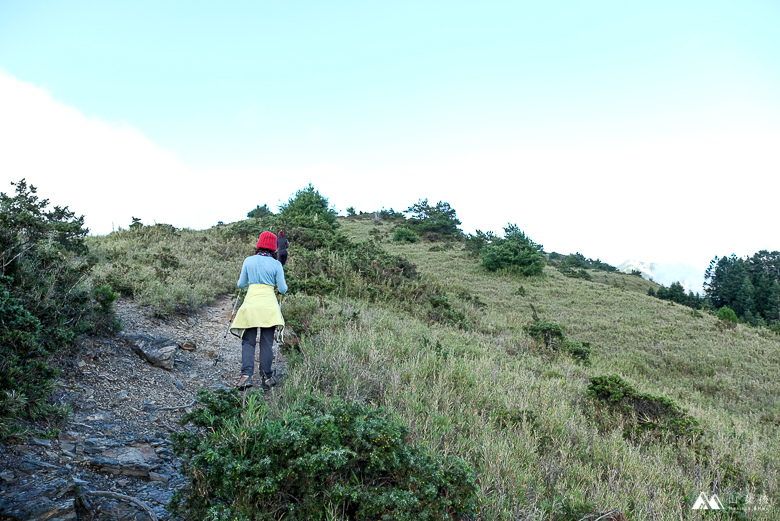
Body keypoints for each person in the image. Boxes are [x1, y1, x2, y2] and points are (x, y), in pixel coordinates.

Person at [230, 231, 287, 390]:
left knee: (248, 341)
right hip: (269, 308)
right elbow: (282, 288)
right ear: (274, 247)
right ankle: (267, 377)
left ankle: (246, 376)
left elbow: (241, 284)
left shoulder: (249, 260)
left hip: (251, 305)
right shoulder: (276, 264)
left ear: (259, 243)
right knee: (266, 343)